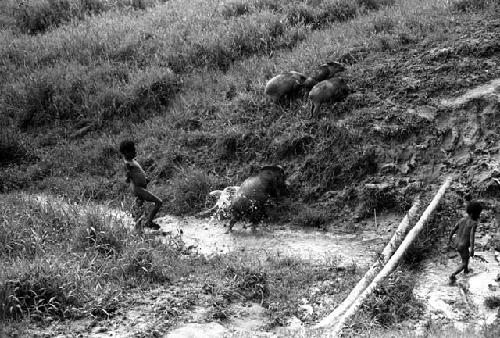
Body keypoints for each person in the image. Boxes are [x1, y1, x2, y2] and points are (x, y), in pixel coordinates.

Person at [119, 140, 162, 232]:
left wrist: (144, 178)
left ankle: (138, 230)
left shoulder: (132, 161)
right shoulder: (128, 164)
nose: (135, 151)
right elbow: (127, 175)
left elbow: (136, 172)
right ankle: (148, 222)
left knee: (139, 210)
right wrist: (129, 176)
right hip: (139, 189)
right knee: (158, 202)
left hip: (140, 188)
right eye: (133, 150)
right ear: (126, 152)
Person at [448, 201, 483, 283]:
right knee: (464, 262)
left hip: (456, 242)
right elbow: (471, 237)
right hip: (463, 245)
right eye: (478, 213)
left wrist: (449, 239)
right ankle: (453, 274)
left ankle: (466, 271)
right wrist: (472, 249)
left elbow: (453, 229)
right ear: (473, 213)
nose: (479, 215)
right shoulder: (474, 223)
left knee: (465, 257)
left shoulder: (462, 220)